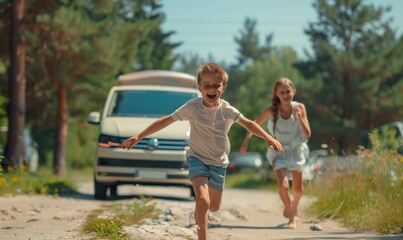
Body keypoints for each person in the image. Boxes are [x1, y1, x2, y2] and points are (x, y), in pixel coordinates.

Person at [121, 63, 284, 240]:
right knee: (203, 200)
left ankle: (200, 213)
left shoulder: (227, 110)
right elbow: (166, 121)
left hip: (219, 163)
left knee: (213, 207)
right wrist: (138, 136)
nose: (212, 89)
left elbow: (249, 123)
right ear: (199, 87)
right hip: (196, 159)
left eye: (216, 85)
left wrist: (269, 137)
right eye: (207, 85)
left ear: (223, 87)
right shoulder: (192, 107)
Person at [240, 77, 311, 229]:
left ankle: (294, 206)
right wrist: (246, 142)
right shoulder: (272, 110)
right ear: (276, 94)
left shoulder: (300, 107)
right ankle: (291, 216)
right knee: (283, 186)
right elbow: (254, 125)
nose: (286, 95)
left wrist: (300, 119)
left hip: (296, 150)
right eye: (282, 92)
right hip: (278, 151)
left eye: (288, 91)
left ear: (294, 92)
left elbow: (307, 135)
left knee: (298, 190)